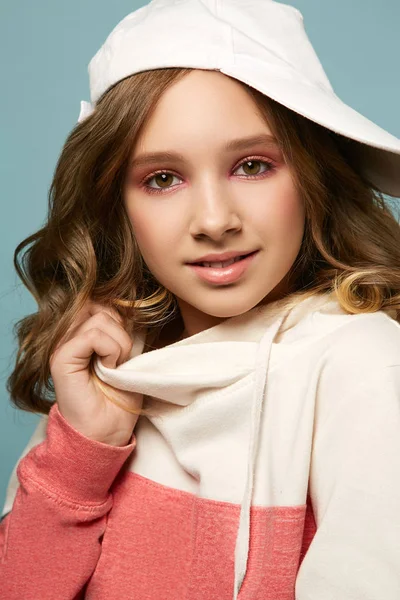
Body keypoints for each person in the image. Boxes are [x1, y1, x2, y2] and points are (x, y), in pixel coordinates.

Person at [1, 1, 400, 598]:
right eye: (162, 178)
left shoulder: (363, 365)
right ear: (119, 208)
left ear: (313, 177)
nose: (214, 220)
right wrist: (83, 456)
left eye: (252, 165)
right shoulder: (115, 369)